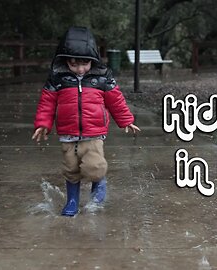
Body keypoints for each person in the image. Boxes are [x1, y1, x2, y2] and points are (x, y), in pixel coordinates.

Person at [32, 26, 141, 216]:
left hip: (94, 133)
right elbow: (47, 101)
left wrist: (126, 120)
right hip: (68, 133)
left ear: (93, 60)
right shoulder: (58, 78)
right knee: (71, 169)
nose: (80, 69)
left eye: (84, 64)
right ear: (65, 61)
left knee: (95, 166)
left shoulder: (101, 77)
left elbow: (115, 100)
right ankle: (72, 200)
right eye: (74, 65)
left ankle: (99, 183)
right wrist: (43, 123)